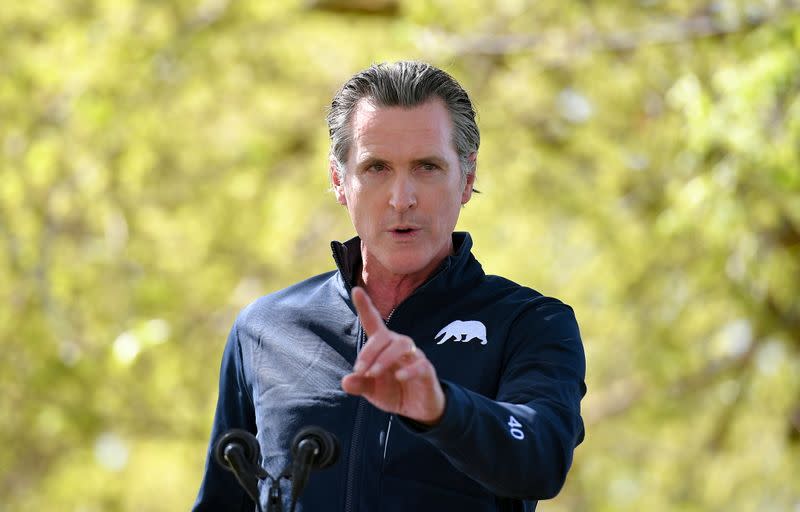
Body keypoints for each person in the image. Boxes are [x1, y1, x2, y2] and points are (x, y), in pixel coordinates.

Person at [193, 61, 586, 512]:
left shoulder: (530, 323)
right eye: (376, 167)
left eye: (427, 166)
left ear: (468, 179)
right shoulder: (263, 329)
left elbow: (540, 457)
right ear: (339, 180)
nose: (402, 199)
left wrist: (442, 409)